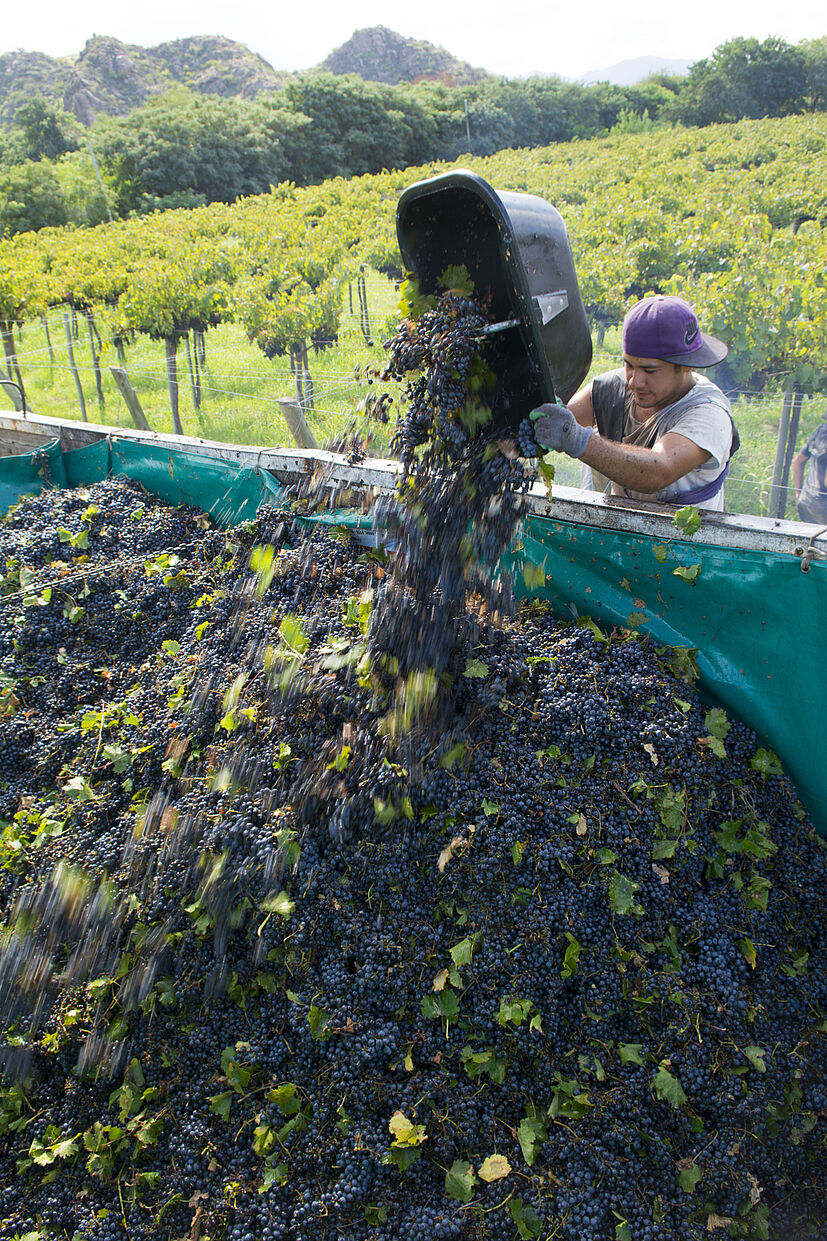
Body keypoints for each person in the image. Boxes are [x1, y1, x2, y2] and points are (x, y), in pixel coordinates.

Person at [531, 295, 738, 511]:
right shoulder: (613, 388)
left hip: (680, 542)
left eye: (650, 370)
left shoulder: (709, 414)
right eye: (629, 365)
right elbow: (556, 419)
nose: (634, 381)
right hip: (619, 534)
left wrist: (575, 439)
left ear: (686, 366)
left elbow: (658, 471)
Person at [792, 414, 827, 524]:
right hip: (823, 506)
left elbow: (797, 461)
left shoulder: (821, 431)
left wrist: (798, 493)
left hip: (805, 500)